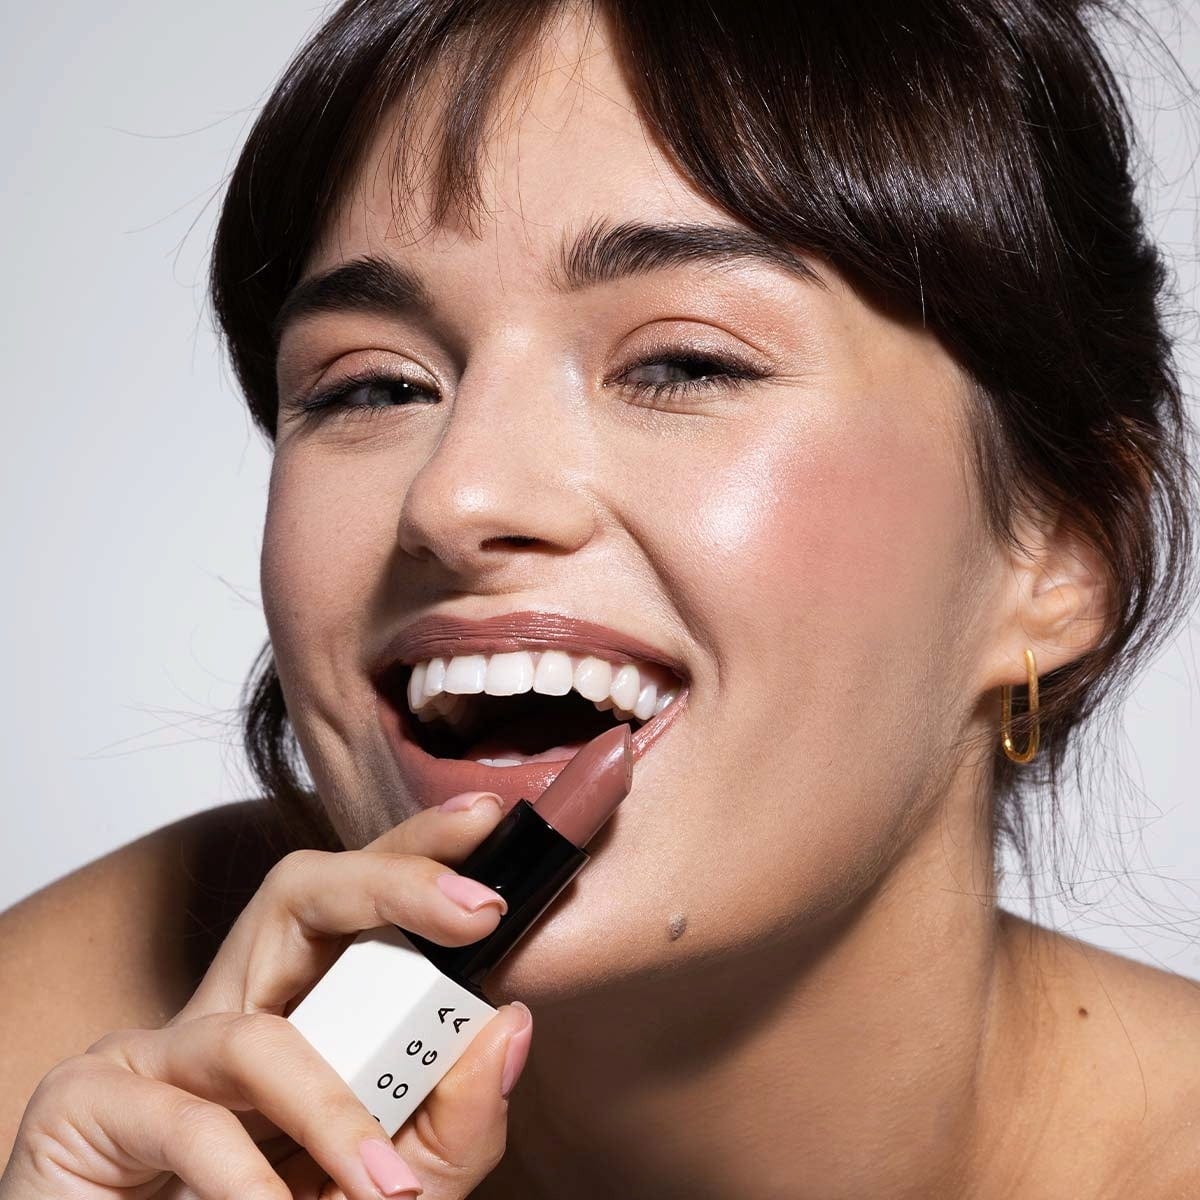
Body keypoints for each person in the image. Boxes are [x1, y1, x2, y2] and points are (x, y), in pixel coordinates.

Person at [3, 1, 1199, 1196]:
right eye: (373, 386)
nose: (456, 497)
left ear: (1064, 548)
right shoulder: (71, 1068)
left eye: (682, 363)